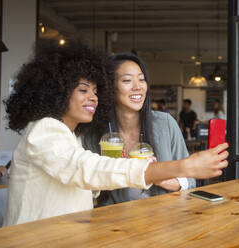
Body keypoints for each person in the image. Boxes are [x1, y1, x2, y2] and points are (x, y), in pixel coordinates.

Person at [3, 41, 229, 226]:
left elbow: (86, 186)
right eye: (83, 90)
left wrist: (166, 176)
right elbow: (85, 169)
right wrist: (178, 167)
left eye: (95, 91)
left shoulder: (74, 135)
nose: (93, 97)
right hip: (35, 238)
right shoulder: (44, 130)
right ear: (57, 92)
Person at [83, 53, 195, 205]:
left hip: (162, 219)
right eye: (127, 80)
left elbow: (190, 179)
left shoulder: (165, 124)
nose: (138, 87)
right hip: (114, 222)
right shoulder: (96, 133)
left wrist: (157, 176)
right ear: (110, 87)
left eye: (142, 79)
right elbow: (90, 187)